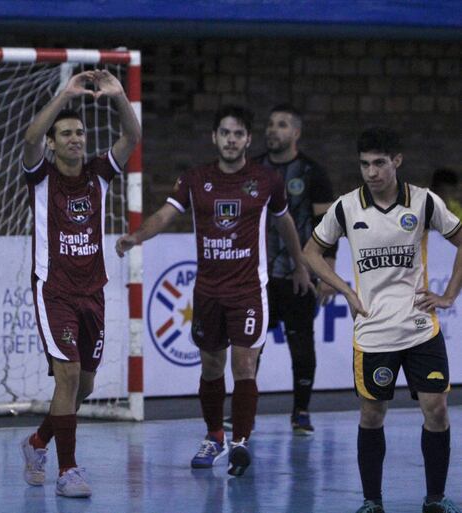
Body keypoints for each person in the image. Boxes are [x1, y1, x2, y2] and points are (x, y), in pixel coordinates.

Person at [116, 105, 312, 477]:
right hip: (207, 291)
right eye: (225, 133)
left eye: (238, 134)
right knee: (211, 366)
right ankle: (214, 435)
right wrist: (136, 236)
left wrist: (300, 264)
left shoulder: (266, 180)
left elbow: (284, 221)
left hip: (248, 291)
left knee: (243, 365)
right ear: (214, 138)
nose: (231, 140)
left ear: (248, 140)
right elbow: (164, 214)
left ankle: (240, 442)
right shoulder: (194, 179)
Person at [304, 127, 461, 513]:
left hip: (420, 326)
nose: (371, 172)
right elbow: (311, 251)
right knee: (372, 415)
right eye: (364, 164)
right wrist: (344, 289)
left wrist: (449, 294)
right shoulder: (346, 207)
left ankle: (435, 498)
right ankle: (372, 502)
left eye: (378, 163)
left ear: (397, 161)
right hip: (373, 332)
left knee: (436, 409)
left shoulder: (423, 203)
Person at [19, 70, 140, 497]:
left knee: (83, 386)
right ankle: (68, 470)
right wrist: (64, 94)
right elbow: (31, 138)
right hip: (53, 291)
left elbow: (132, 136)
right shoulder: (41, 175)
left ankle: (37, 442)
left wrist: (120, 95)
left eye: (80, 132)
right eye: (66, 133)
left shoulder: (98, 174)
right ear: (54, 143)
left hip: (93, 291)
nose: (75, 138)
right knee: (67, 375)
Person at [255, 103, 338, 435]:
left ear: (296, 133)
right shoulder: (254, 168)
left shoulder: (312, 172)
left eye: (282, 125)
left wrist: (328, 272)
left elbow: (327, 226)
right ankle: (241, 412)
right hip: (258, 277)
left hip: (299, 276)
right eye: (271, 124)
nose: (273, 130)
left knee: (301, 346)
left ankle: (301, 411)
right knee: (250, 347)